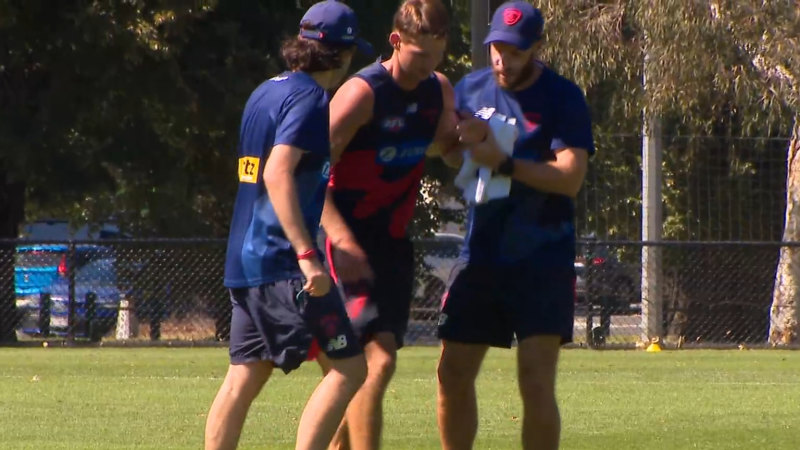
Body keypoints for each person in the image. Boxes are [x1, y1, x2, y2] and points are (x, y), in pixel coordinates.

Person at [205, 2, 373, 449]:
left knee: (244, 375)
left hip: (245, 261)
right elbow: (276, 172)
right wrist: (306, 253)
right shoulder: (310, 98)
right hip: (283, 263)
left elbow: (250, 171)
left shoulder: (264, 91)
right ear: (339, 54)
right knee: (349, 369)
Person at [436, 2, 595, 449]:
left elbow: (570, 178)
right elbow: (451, 156)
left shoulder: (563, 97)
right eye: (497, 50)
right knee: (451, 372)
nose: (503, 61)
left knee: (535, 380)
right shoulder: (470, 90)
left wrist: (503, 163)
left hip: (543, 258)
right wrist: (455, 145)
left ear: (537, 48)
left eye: (515, 51)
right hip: (481, 256)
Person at [315, 0, 457, 448]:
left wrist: (467, 141)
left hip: (393, 244)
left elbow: (443, 150)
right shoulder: (362, 93)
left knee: (362, 369)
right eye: (419, 56)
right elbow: (307, 174)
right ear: (396, 41)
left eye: (437, 56)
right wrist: (338, 239)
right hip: (343, 244)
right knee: (373, 363)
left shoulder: (438, 89)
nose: (427, 66)